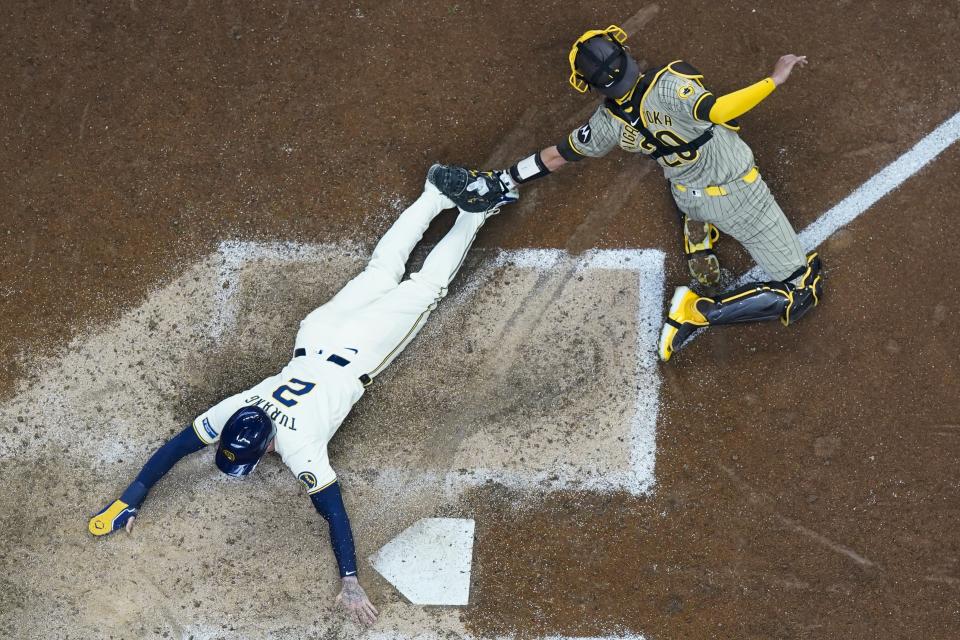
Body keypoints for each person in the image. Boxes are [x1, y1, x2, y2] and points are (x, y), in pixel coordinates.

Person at [87, 165, 518, 626]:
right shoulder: (234, 408)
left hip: (360, 349)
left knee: (425, 288)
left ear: (266, 444)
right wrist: (126, 499)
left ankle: (474, 213)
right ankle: (434, 195)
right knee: (382, 269)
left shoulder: (299, 446)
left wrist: (350, 580)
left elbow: (334, 514)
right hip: (318, 331)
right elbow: (176, 448)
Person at [481, 25, 823, 361]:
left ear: (589, 85)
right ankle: (695, 311)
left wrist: (505, 178)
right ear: (625, 52)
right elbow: (718, 111)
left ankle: (698, 238)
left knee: (687, 184)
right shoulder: (672, 83)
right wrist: (774, 79)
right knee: (803, 288)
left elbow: (557, 155)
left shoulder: (606, 123)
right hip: (737, 199)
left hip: (687, 193)